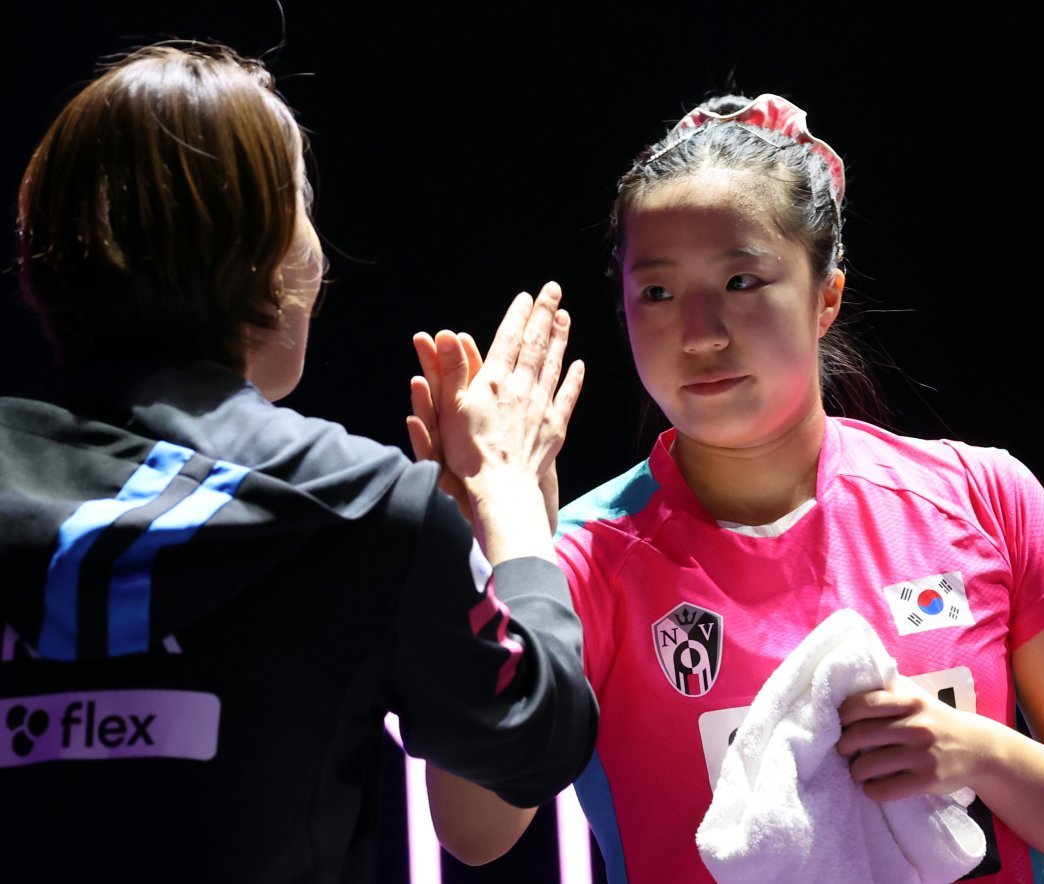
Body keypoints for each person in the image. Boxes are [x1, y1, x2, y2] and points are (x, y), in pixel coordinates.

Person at [411, 93, 1044, 882]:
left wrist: (979, 754)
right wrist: (493, 552)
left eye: (741, 281)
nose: (701, 333)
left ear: (825, 297)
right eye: (658, 293)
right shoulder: (576, 560)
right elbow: (474, 831)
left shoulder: (986, 497)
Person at [0, 42, 597, 883]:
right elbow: (539, 738)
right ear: (269, 254)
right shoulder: (362, 508)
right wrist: (508, 495)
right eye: (302, 203)